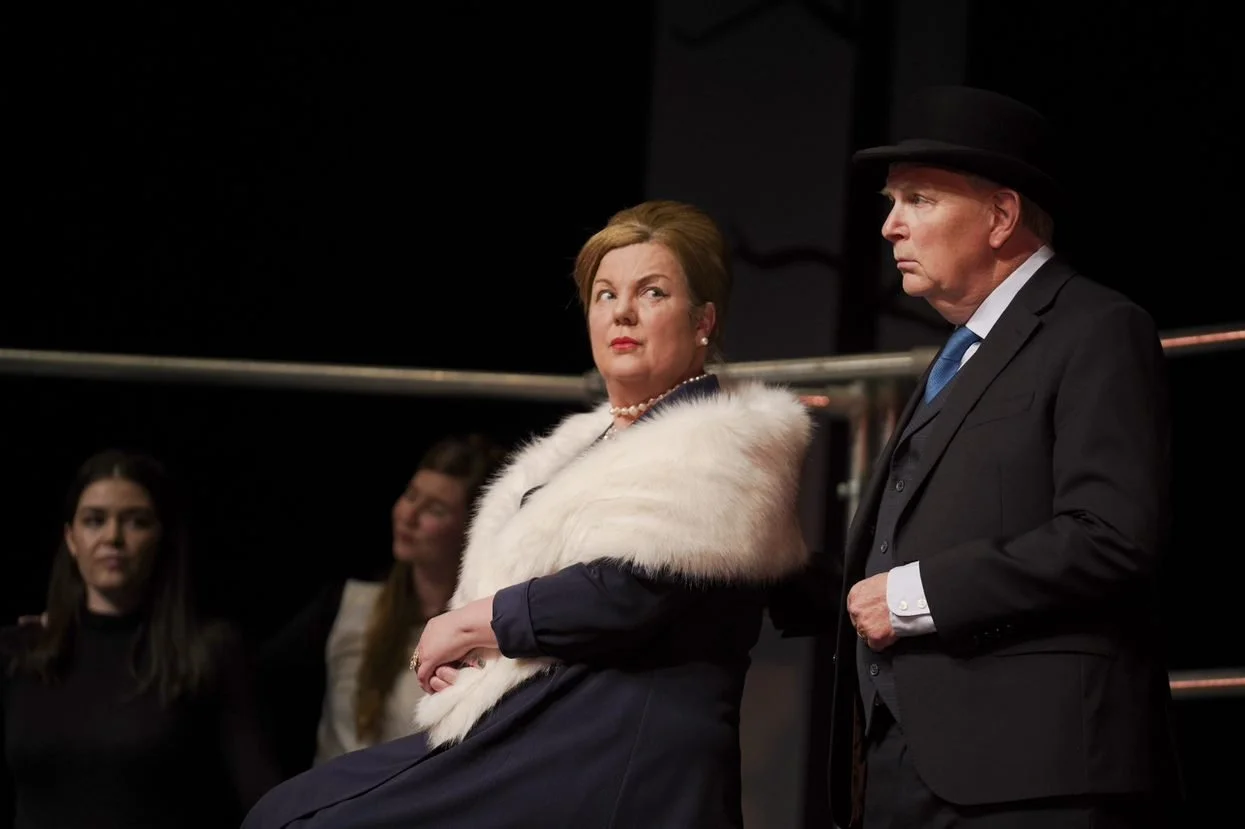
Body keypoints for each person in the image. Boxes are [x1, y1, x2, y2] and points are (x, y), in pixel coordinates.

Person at [241, 198, 815, 828]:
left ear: (703, 320)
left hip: (615, 746)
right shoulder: (592, 442)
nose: (622, 311)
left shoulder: (725, 441)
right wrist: (480, 652)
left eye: (652, 292)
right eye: (604, 295)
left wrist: (476, 623)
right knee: (285, 810)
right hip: (546, 724)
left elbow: (629, 590)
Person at [809, 85, 1180, 827]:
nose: (889, 226)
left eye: (916, 199)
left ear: (1001, 216)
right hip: (900, 766)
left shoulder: (1094, 328)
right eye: (892, 202)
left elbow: (1111, 534)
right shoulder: (960, 355)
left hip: (1029, 774)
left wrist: (911, 597)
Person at [0, 449, 282, 829]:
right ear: (71, 538)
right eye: (94, 520)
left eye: (135, 522)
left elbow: (262, 797)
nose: (113, 537)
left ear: (161, 536)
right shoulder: (21, 650)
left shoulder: (208, 652)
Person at [257, 434, 507, 776]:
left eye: (435, 509)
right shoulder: (348, 604)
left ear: (469, 530)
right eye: (410, 496)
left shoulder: (484, 630)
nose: (409, 515)